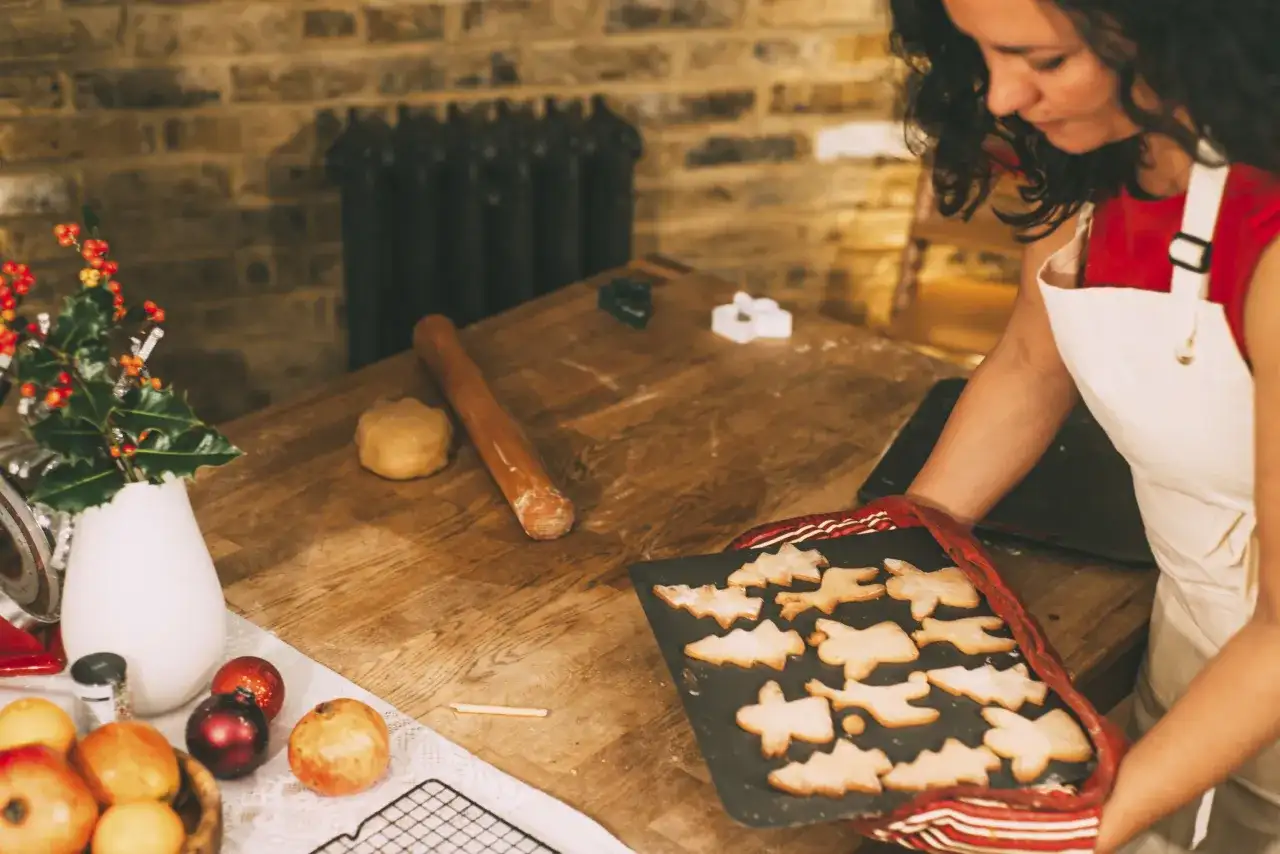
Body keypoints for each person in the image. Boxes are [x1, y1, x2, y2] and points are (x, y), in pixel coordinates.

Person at [885, 0, 1280, 851]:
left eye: (1043, 61)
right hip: (1192, 637)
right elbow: (1031, 365)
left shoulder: (1271, 233)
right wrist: (898, 547)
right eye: (981, 55)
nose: (998, 97)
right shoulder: (1097, 165)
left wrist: (1083, 825)